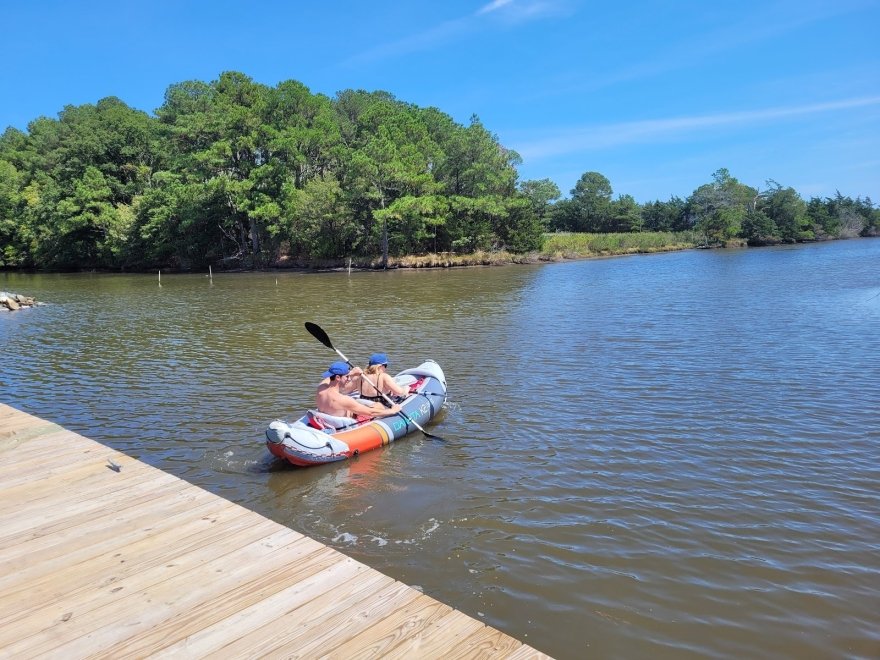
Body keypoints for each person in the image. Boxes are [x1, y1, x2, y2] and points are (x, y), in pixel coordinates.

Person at [315, 361, 402, 419]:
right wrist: (392, 410)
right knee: (378, 406)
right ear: (337, 377)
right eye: (347, 377)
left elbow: (326, 380)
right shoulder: (343, 400)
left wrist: (351, 373)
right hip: (343, 424)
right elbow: (371, 413)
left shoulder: (321, 389)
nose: (349, 379)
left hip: (328, 417)